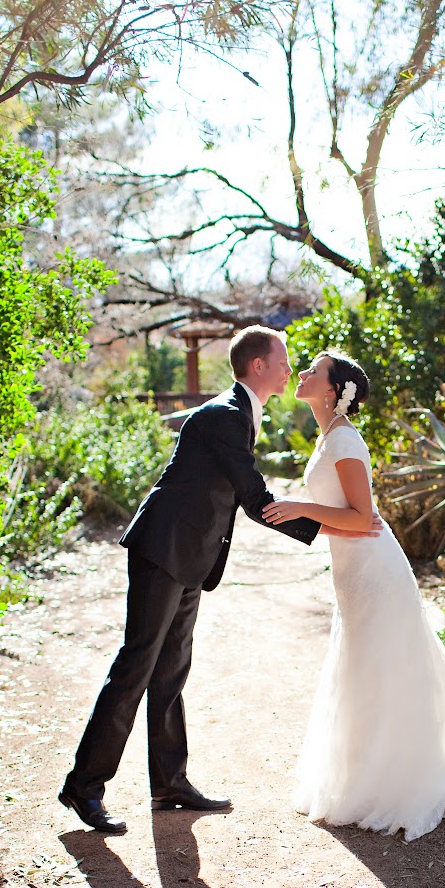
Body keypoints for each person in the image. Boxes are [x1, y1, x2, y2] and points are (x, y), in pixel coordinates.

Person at [59, 326, 328, 834]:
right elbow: (253, 496)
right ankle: (84, 787)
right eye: (284, 360)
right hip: (163, 551)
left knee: (171, 671)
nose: (290, 369)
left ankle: (169, 783)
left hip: (188, 556)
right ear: (257, 367)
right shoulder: (226, 415)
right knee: (135, 668)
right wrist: (327, 528)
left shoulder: (238, 412)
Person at [263, 351, 445, 841]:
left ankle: (402, 783)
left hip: (377, 574)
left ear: (334, 392)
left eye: (314, 370)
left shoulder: (347, 441)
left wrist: (298, 506)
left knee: (388, 672)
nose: (304, 375)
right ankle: (364, 777)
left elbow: (362, 518)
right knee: (363, 672)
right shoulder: (328, 438)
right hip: (352, 576)